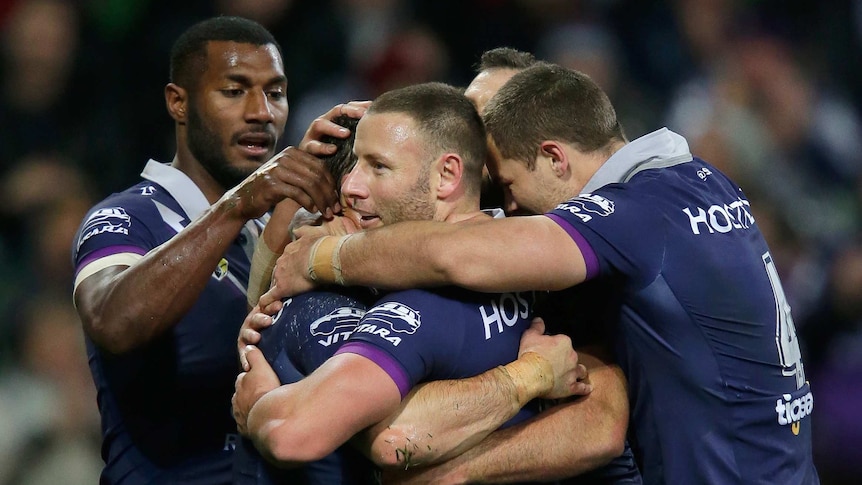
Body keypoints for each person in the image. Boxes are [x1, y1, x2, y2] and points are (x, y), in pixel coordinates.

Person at [261, 63, 820, 484]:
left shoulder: (633, 214)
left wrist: (324, 257)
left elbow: (465, 254)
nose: (509, 204)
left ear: (555, 159)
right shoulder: (700, 181)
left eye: (506, 184)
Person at [232, 82, 588, 481]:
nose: (350, 186)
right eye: (354, 165)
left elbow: (299, 435)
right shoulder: (542, 262)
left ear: (446, 175)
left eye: (378, 166)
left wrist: (260, 400)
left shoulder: (413, 309)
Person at [71, 16, 342, 484]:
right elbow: (112, 322)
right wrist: (236, 206)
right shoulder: (128, 218)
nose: (261, 111)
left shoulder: (299, 233)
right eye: (234, 91)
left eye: (275, 93)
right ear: (179, 102)